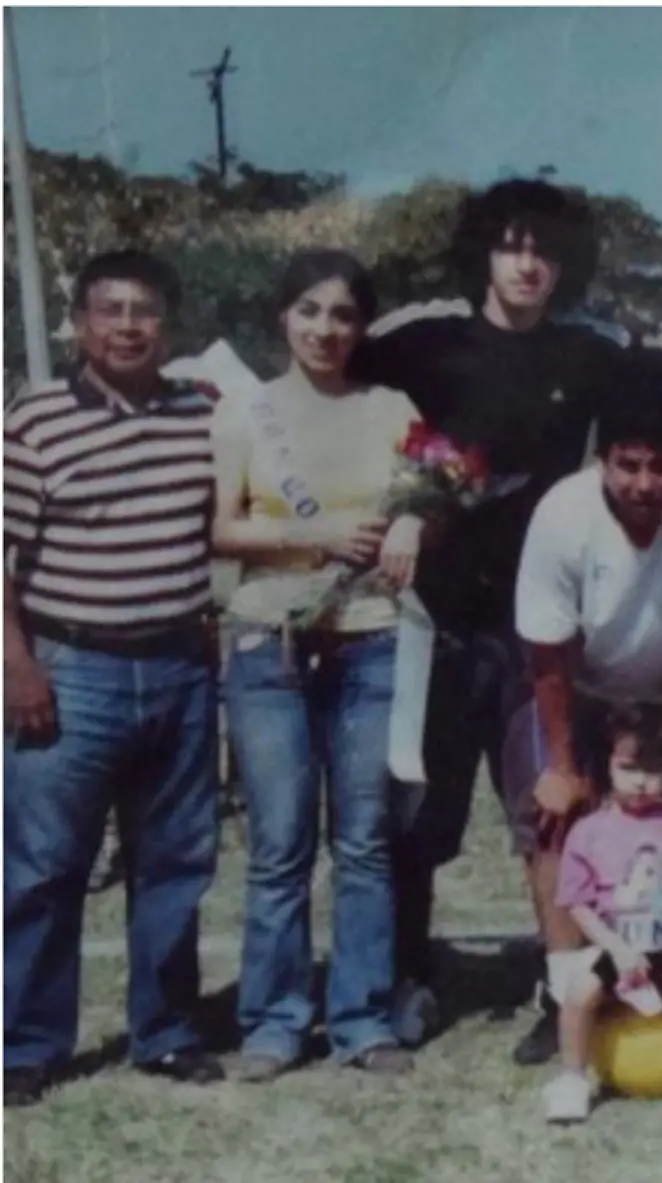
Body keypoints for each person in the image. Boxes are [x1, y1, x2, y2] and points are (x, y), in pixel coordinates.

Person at [349, 179, 662, 1060]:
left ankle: (562, 981)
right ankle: (407, 978)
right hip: (431, 623)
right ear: (482, 257)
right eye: (509, 246)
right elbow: (326, 381)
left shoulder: (591, 356)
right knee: (414, 815)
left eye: (542, 248)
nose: (526, 263)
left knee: (551, 810)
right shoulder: (423, 347)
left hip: (535, 633)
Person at [4, 251, 224, 1105]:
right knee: (43, 866)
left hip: (177, 667)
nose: (128, 326)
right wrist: (16, 664)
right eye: (111, 310)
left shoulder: (196, 414)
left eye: (145, 311)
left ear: (167, 325)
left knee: (174, 862)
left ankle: (165, 1030)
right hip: (72, 668)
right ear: (81, 324)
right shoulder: (36, 420)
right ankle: (26, 1043)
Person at [210, 251, 421, 1080]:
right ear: (282, 317)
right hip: (271, 646)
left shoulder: (391, 406)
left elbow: (425, 492)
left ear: (361, 325)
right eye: (308, 310)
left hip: (372, 639)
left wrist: (413, 524)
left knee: (365, 840)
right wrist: (321, 537)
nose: (325, 329)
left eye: (341, 314)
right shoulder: (243, 411)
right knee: (280, 842)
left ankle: (362, 1017)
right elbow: (222, 529)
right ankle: (272, 1021)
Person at [511, 389, 662, 1064]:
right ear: (601, 463)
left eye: (661, 467)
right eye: (628, 466)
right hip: (584, 682)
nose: (645, 484)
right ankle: (568, 991)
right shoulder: (563, 515)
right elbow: (548, 656)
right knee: (558, 816)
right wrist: (563, 768)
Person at [543, 705, 662, 1122]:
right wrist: (614, 950)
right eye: (628, 767)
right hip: (620, 952)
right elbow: (577, 903)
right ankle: (573, 1078)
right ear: (607, 766)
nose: (640, 781)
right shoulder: (589, 831)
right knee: (578, 994)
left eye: (652, 769)